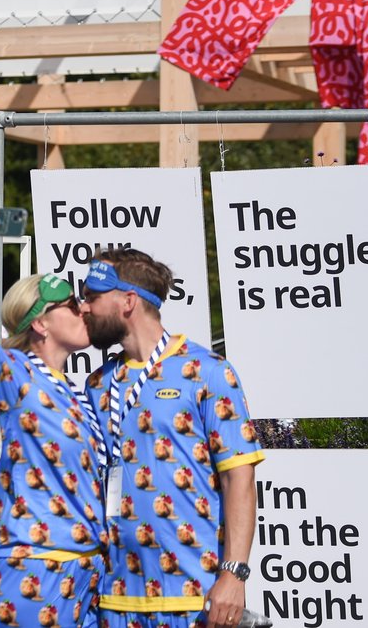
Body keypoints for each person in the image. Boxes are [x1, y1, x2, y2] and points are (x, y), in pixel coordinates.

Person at [80, 248, 266, 628]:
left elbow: (239, 478)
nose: (84, 308)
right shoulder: (98, 384)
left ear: (128, 301)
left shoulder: (207, 371)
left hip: (195, 598)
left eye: (93, 296)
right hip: (113, 599)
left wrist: (234, 575)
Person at [0, 201, 106, 628]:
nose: (83, 309)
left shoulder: (80, 391)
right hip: (33, 567)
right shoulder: (13, 372)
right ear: (40, 323)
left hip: (88, 571)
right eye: (71, 304)